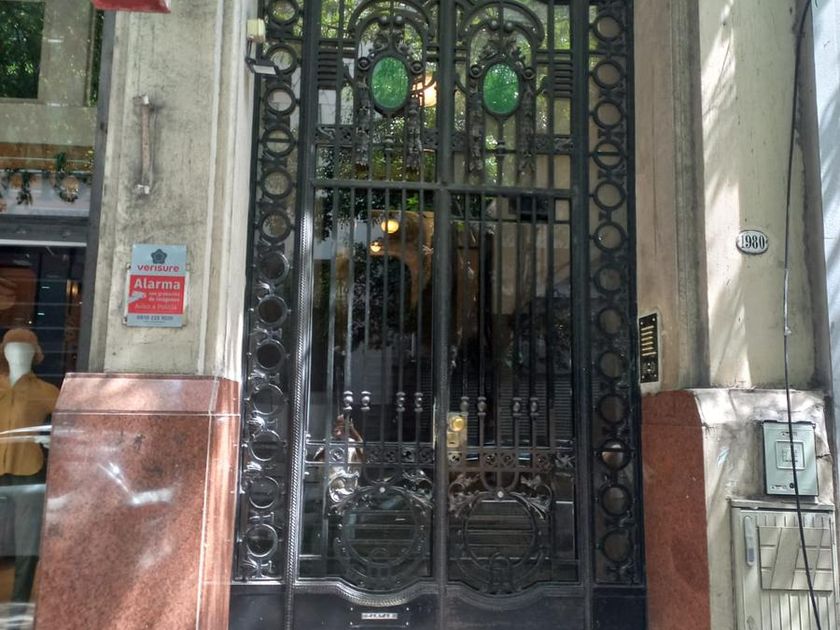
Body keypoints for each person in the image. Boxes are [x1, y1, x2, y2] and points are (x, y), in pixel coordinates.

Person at [0, 328, 59, 602]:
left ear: (35, 353)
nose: (18, 354)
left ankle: (19, 601)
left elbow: (65, 425)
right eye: (12, 347)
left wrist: (50, 438)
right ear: (3, 351)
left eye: (25, 348)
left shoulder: (46, 392)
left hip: (29, 471)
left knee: (27, 540)